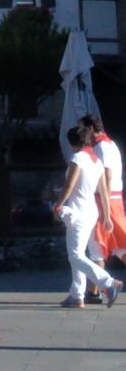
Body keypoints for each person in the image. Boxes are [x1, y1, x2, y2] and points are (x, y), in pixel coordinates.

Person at [55, 125, 123, 308]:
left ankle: (108, 283)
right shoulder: (96, 161)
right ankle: (77, 295)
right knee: (78, 254)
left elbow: (69, 186)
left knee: (76, 255)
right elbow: (103, 191)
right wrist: (107, 216)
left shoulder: (77, 158)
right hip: (93, 211)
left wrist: (58, 205)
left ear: (71, 142)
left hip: (77, 211)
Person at [81, 114, 126, 304]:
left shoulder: (100, 148)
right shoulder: (111, 145)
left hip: (105, 200)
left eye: (83, 128)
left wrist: (105, 211)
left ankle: (94, 291)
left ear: (90, 129)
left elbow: (105, 177)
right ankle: (93, 291)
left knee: (100, 245)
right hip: (112, 199)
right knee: (118, 246)